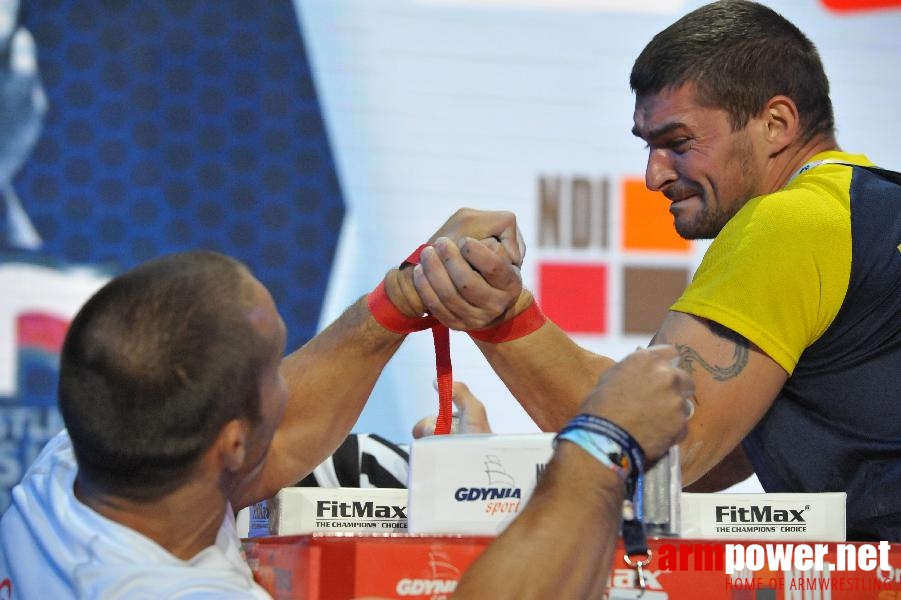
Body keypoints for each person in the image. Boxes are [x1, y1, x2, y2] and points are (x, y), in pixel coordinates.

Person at [410, 0, 901, 541]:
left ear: (776, 123)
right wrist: (488, 478)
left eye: (678, 143)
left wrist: (500, 314)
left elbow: (663, 446)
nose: (653, 176)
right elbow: (704, 467)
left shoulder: (795, 220)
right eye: (649, 146)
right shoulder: (869, 210)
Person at [0, 237, 691, 597]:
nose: (289, 380)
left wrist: (398, 296)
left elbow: (284, 434)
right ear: (231, 443)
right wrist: (602, 443)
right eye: (275, 368)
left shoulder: (69, 474)